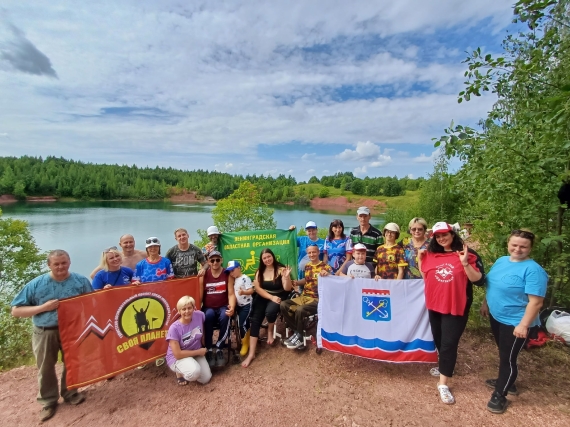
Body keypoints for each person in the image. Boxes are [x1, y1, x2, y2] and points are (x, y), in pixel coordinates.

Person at [10, 250, 92, 422]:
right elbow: (16, 311)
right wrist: (42, 308)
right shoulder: (36, 284)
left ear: (69, 262)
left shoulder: (80, 281)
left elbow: (91, 302)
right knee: (45, 367)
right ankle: (48, 401)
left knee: (72, 363)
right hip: (45, 330)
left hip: (72, 330)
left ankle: (70, 393)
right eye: (56, 264)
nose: (60, 267)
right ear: (49, 265)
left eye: (64, 263)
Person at [480, 229, 547, 414]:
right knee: (504, 353)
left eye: (523, 246)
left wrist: (524, 325)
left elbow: (536, 302)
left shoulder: (533, 270)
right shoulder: (502, 261)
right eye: (514, 245)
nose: (518, 249)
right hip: (497, 316)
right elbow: (491, 284)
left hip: (516, 321)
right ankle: (507, 381)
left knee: (508, 359)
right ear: (508, 244)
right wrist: (485, 302)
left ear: (530, 248)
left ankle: (500, 394)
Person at [418, 222, 485, 405]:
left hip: (456, 306)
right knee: (439, 339)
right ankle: (445, 367)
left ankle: (443, 384)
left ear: (452, 234)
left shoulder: (466, 253)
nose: (441, 238)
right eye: (437, 236)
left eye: (444, 234)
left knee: (449, 343)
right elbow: (426, 276)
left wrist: (465, 264)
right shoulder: (430, 254)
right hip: (435, 305)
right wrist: (419, 257)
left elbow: (478, 280)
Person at [242, 248, 293, 368]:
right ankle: (251, 354)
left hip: (279, 295)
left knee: (270, 312)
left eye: (269, 257)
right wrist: (271, 297)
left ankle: (270, 331)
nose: (267, 259)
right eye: (264, 258)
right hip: (265, 296)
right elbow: (258, 289)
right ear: (262, 260)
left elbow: (287, 288)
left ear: (273, 257)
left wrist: (286, 278)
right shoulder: (259, 271)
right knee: (255, 320)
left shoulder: (281, 269)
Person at [281, 244, 332, 349]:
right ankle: (297, 332)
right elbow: (306, 280)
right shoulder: (307, 266)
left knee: (299, 310)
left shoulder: (326, 267)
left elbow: (332, 282)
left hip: (318, 299)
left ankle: (299, 337)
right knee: (283, 304)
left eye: (314, 252)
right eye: (309, 253)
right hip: (305, 296)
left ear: (318, 252)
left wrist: (327, 275)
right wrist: (296, 283)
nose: (312, 254)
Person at [200, 251, 236, 368]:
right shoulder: (204, 275)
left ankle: (220, 348)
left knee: (226, 315)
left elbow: (231, 294)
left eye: (217, 260)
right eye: (212, 260)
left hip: (223, 305)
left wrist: (232, 307)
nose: (215, 262)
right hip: (208, 307)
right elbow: (200, 296)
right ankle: (209, 349)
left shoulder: (227, 274)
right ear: (209, 262)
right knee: (208, 316)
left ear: (221, 260)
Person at [165, 296, 212, 386]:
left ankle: (191, 365)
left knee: (205, 379)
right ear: (179, 311)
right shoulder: (174, 328)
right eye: (183, 309)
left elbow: (206, 328)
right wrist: (199, 351)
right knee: (194, 373)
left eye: (189, 308)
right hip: (178, 358)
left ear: (194, 308)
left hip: (195, 352)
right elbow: (177, 354)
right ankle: (180, 372)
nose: (187, 311)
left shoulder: (200, 315)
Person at [225, 260, 254, 357]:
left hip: (246, 305)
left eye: (233, 270)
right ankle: (247, 340)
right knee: (241, 323)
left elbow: (251, 290)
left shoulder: (245, 278)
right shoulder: (234, 280)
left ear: (239, 268)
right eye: (230, 271)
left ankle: (245, 343)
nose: (231, 273)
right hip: (239, 306)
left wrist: (244, 292)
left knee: (242, 323)